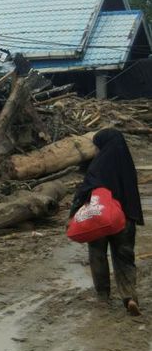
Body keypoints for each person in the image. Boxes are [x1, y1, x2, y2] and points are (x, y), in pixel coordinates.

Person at [70, 129, 143, 316]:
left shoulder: (98, 165)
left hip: (99, 219)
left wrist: (72, 215)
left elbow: (85, 191)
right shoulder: (127, 165)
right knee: (125, 258)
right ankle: (130, 297)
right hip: (124, 219)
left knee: (97, 256)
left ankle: (103, 297)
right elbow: (132, 195)